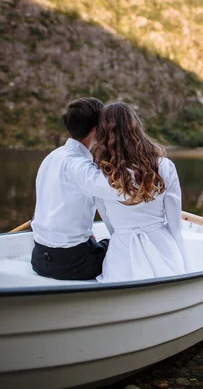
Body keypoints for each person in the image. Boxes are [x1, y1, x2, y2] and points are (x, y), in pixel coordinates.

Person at [92, 102, 190, 282]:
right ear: (136, 126)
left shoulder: (98, 174)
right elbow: (175, 225)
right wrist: (183, 260)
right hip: (162, 249)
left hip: (121, 258)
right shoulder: (164, 166)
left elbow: (111, 226)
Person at [30, 98, 119, 280]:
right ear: (95, 130)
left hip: (39, 258)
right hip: (71, 264)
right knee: (126, 248)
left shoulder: (52, 157)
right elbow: (117, 192)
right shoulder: (82, 167)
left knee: (98, 242)